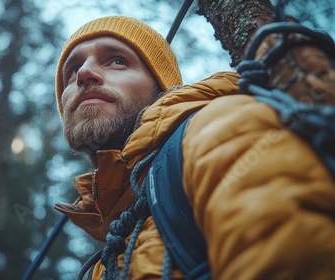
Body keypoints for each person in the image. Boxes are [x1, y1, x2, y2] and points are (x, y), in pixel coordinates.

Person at [53, 15, 335, 279]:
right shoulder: (104, 258)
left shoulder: (218, 128)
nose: (84, 73)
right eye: (73, 70)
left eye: (116, 61)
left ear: (161, 89)